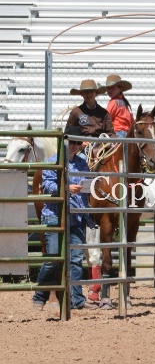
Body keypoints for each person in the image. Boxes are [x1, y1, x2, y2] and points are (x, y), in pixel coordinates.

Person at [32, 126, 96, 312]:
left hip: (76, 217)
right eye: (72, 142)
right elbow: (50, 186)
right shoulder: (52, 162)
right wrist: (68, 188)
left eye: (78, 142)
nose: (75, 146)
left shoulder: (83, 164)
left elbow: (86, 186)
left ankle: (77, 300)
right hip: (55, 216)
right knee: (53, 259)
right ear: (64, 142)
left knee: (75, 259)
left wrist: (90, 186)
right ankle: (40, 295)